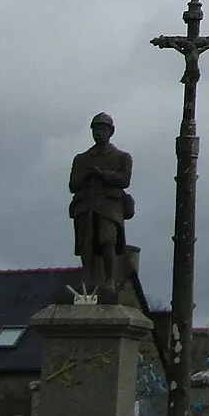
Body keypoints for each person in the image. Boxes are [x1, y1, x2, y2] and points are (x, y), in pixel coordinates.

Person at [69, 111, 134, 298]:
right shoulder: (82, 158)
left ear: (110, 132)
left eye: (102, 129)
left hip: (109, 207)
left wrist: (103, 174)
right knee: (86, 245)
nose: (98, 133)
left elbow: (124, 180)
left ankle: (110, 280)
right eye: (95, 129)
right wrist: (87, 176)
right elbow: (73, 184)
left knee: (108, 241)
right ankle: (87, 280)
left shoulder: (122, 157)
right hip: (85, 206)